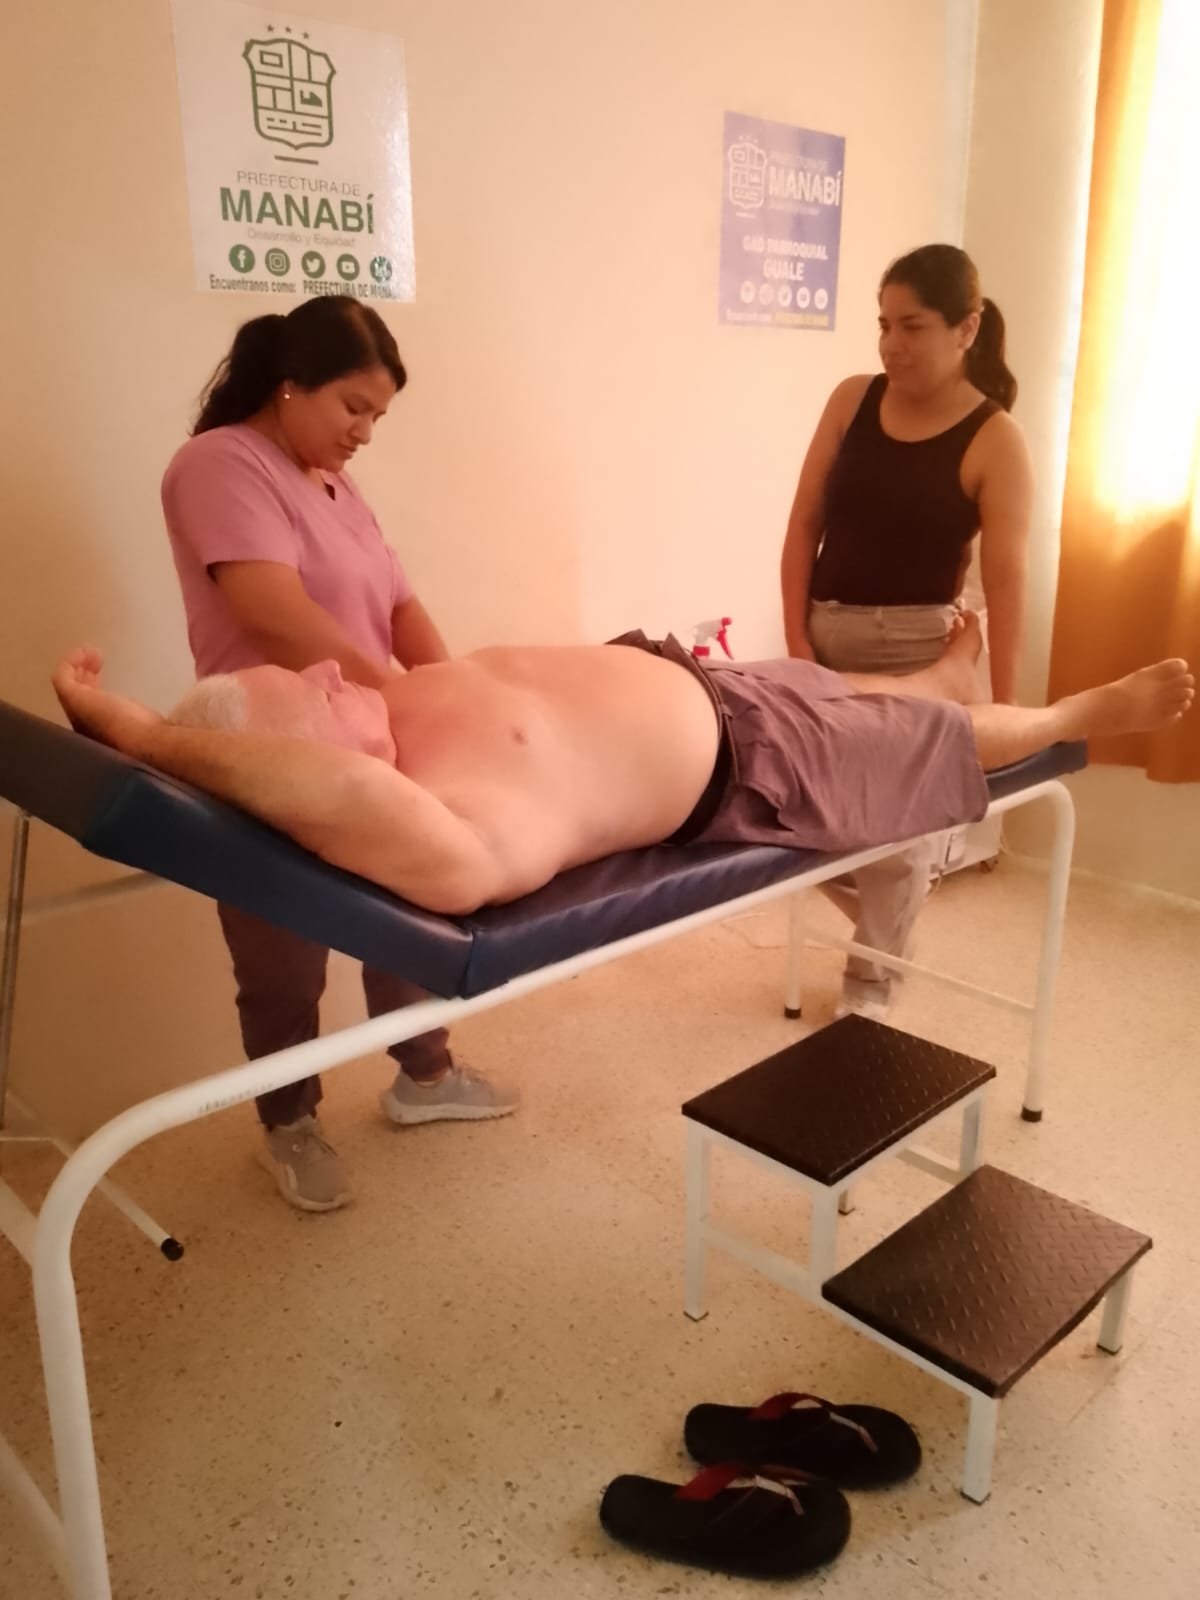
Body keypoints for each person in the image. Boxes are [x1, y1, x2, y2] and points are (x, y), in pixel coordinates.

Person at [53, 628, 1192, 918]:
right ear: (297, 764)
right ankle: (1073, 713)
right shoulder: (458, 828)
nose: (326, 669)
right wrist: (145, 738)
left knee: (856, 687)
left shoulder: (388, 714)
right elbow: (341, 799)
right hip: (753, 765)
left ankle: (938, 674)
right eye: (310, 694)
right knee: (924, 735)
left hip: (693, 674)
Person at [161, 295, 515, 1214]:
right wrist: (399, 693)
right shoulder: (219, 464)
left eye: (378, 417)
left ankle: (424, 1077)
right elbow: (271, 612)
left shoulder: (335, 485)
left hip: (364, 738)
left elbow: (399, 604)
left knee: (410, 913)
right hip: (271, 750)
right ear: (291, 385)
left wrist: (456, 694)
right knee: (283, 955)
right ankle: (287, 1123)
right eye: (353, 407)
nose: (365, 432)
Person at [780, 244, 1033, 1021]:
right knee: (799, 818)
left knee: (896, 837)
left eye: (912, 326)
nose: (891, 344)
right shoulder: (851, 400)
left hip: (921, 651)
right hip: (828, 631)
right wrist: (798, 647)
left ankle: (871, 982)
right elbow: (802, 528)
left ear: (967, 329)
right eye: (883, 324)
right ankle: (890, 932)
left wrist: (1007, 712)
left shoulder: (994, 438)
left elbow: (1006, 585)